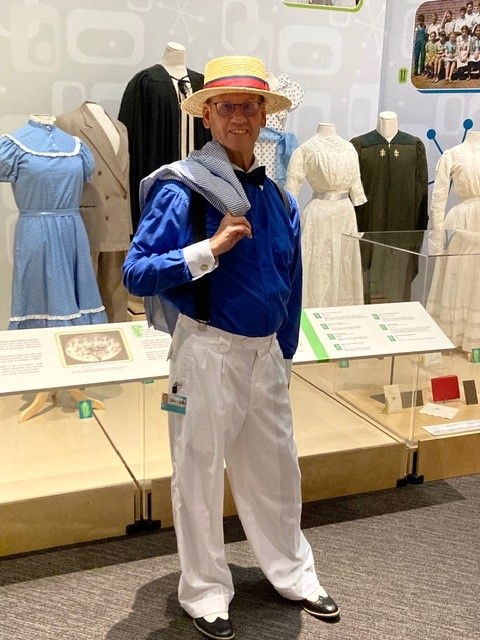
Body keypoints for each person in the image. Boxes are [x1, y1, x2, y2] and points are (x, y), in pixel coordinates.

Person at [123, 55, 339, 640]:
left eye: (250, 105)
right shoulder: (185, 189)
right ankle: (204, 591)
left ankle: (291, 572)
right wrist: (209, 250)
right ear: (209, 115)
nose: (240, 117)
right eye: (227, 106)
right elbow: (137, 272)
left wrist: (284, 351)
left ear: (265, 114)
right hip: (207, 352)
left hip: (264, 353)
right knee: (196, 470)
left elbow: (288, 280)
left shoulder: (276, 196)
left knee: (276, 469)